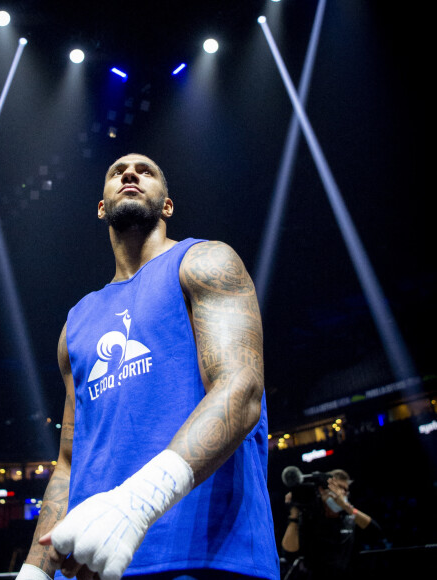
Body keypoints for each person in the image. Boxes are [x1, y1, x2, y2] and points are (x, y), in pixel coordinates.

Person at [16, 153, 280, 580]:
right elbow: (68, 463)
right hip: (93, 564)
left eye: (146, 171)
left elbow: (241, 388)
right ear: (102, 208)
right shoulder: (76, 324)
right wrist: (35, 570)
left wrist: (137, 503)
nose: (130, 174)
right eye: (117, 172)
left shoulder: (205, 262)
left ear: (167, 205)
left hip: (205, 558)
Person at [281, 469, 378, 580]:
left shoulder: (350, 519)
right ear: (322, 490)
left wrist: (347, 507)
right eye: (338, 488)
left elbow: (376, 534)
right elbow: (289, 554)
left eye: (345, 490)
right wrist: (294, 515)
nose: (342, 493)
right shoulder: (310, 516)